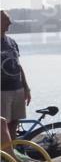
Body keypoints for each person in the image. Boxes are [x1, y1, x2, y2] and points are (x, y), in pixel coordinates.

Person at [1, 10, 31, 143]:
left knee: (14, 123)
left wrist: (26, 87)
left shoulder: (12, 42)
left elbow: (18, 65)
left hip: (17, 88)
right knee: (3, 126)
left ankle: (13, 154)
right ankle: (6, 157)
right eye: (6, 19)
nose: (10, 22)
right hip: (2, 91)